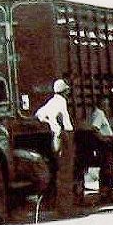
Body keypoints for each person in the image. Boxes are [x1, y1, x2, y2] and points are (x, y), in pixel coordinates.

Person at [35, 78, 78, 216]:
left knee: (61, 172)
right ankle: (66, 209)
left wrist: (50, 123)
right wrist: (58, 129)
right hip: (64, 136)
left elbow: (39, 114)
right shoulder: (61, 102)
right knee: (66, 173)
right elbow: (58, 116)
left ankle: (63, 207)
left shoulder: (51, 102)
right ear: (64, 91)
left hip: (58, 136)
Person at [89, 97, 113, 204]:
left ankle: (107, 194)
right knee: (107, 170)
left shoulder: (101, 113)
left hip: (107, 144)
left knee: (108, 170)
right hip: (105, 145)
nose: (108, 106)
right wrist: (104, 139)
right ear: (101, 104)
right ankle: (105, 195)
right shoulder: (99, 113)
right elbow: (94, 128)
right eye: (106, 104)